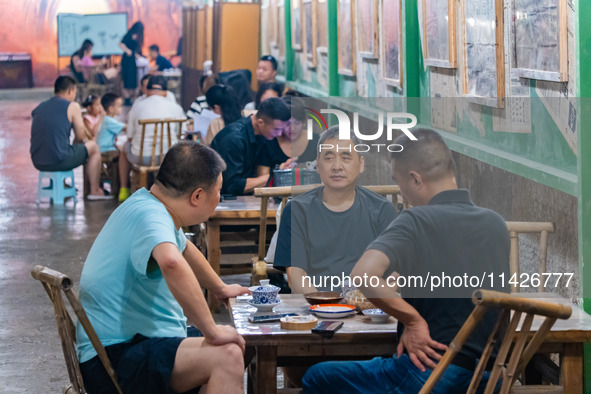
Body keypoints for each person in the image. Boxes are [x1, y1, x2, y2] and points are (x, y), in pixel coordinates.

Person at [302, 129, 510, 393]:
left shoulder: (415, 221)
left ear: (415, 179)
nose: (403, 194)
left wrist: (412, 321)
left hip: (432, 375)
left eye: (400, 184)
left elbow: (363, 275)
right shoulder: (496, 223)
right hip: (490, 379)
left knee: (317, 377)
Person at [76, 141, 248, 393]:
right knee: (228, 355)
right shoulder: (152, 217)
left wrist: (220, 288)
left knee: (245, 345)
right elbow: (171, 261)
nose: (219, 198)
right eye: (218, 190)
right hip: (113, 358)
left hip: (130, 344)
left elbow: (185, 250)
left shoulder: (148, 204)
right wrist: (211, 330)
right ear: (197, 196)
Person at [273, 127, 398, 293]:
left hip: (369, 310)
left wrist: (370, 304)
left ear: (361, 164)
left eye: (346, 158)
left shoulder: (382, 210)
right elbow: (296, 276)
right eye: (329, 158)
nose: (337, 166)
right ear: (317, 165)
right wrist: (327, 307)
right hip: (315, 308)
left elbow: (396, 272)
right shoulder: (297, 210)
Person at [30, 76, 110, 200]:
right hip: (59, 160)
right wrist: (76, 147)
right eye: (74, 92)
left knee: (58, 147)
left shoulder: (40, 107)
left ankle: (62, 186)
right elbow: (80, 136)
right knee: (93, 147)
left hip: (38, 161)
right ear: (70, 90)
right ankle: (95, 190)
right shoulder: (72, 106)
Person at [118, 75, 186, 202]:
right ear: (166, 92)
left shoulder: (137, 106)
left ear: (147, 91)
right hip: (168, 157)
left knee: (123, 148)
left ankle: (124, 189)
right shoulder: (176, 107)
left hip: (141, 158)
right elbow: (181, 134)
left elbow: (130, 136)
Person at [210, 97, 290, 196]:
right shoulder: (234, 139)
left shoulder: (263, 134)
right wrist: (275, 176)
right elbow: (232, 186)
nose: (279, 134)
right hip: (222, 199)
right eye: (277, 129)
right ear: (260, 122)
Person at [119, 21, 144, 104]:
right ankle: (127, 97)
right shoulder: (129, 35)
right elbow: (120, 44)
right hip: (127, 59)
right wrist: (127, 50)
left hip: (133, 60)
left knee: (133, 78)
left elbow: (136, 49)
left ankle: (132, 96)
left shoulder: (139, 37)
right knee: (126, 78)